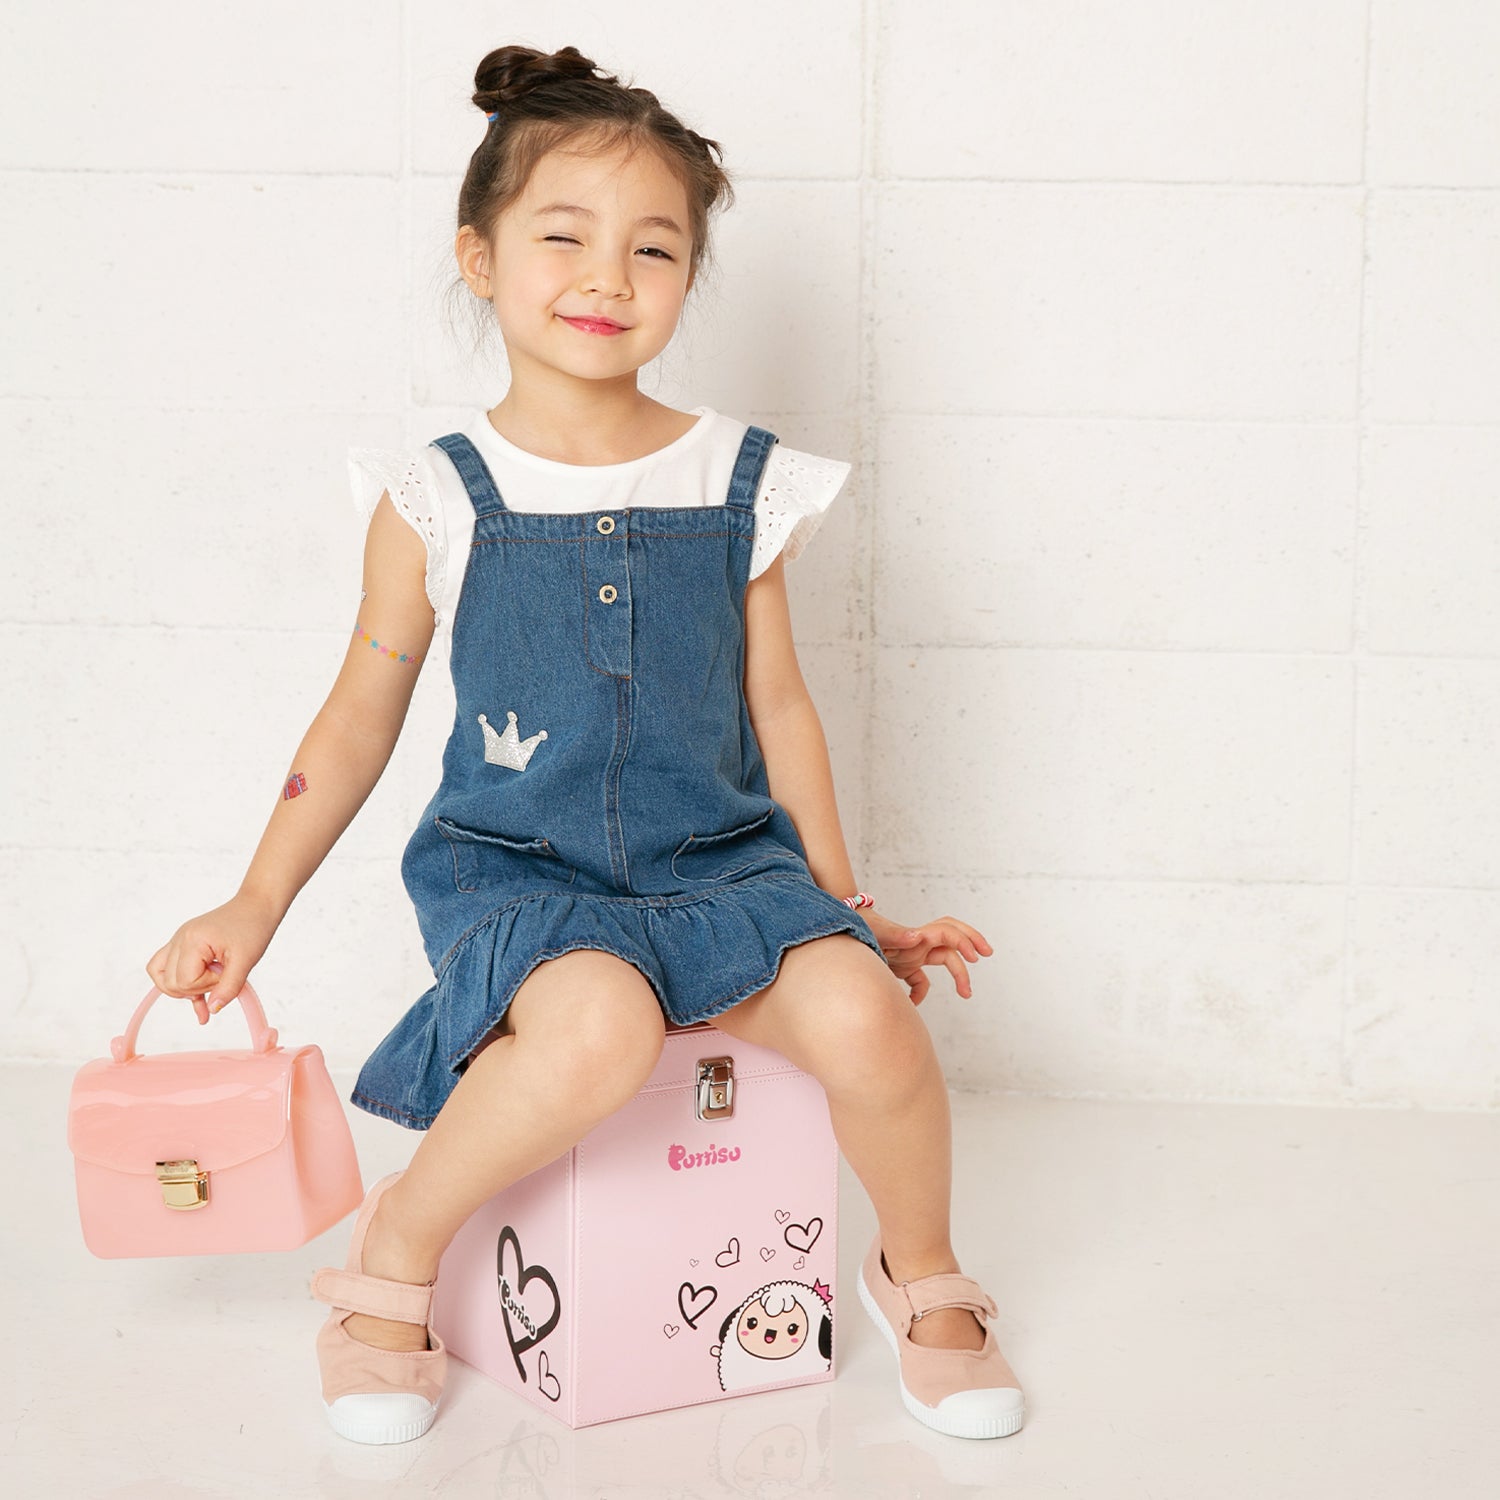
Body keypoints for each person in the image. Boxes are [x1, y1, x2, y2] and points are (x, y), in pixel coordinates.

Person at [145, 42, 1024, 1446]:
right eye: (564, 236)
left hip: (720, 865)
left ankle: (921, 1275)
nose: (609, 276)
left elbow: (781, 705)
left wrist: (844, 904)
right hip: (523, 876)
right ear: (480, 256)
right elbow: (359, 712)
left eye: (654, 248)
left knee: (869, 1016)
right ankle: (394, 1256)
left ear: (688, 277)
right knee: (599, 1026)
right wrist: (254, 902)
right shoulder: (437, 496)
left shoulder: (739, 476)